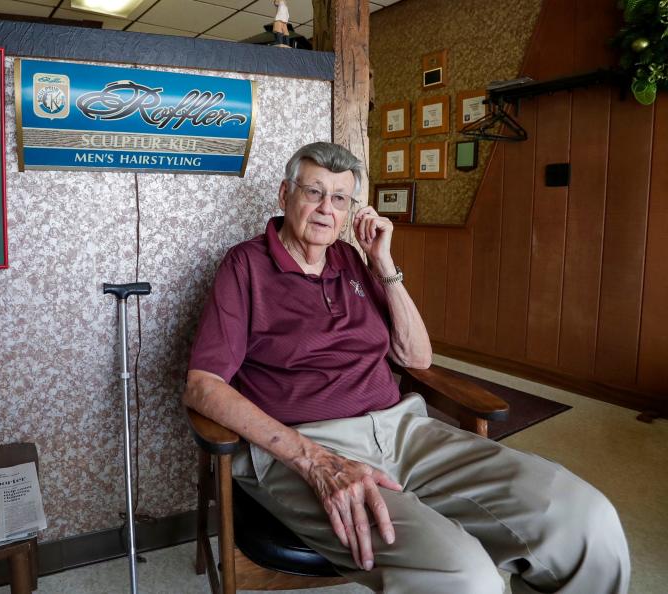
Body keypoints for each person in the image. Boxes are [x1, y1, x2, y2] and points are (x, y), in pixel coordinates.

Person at [183, 142, 630, 593]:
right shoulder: (245, 266)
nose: (326, 209)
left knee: (583, 516)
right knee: (465, 575)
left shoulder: (352, 260)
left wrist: (383, 263)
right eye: (314, 192)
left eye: (340, 198)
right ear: (285, 195)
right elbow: (203, 385)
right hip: (312, 448)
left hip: (405, 433)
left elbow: (417, 358)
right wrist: (313, 459)